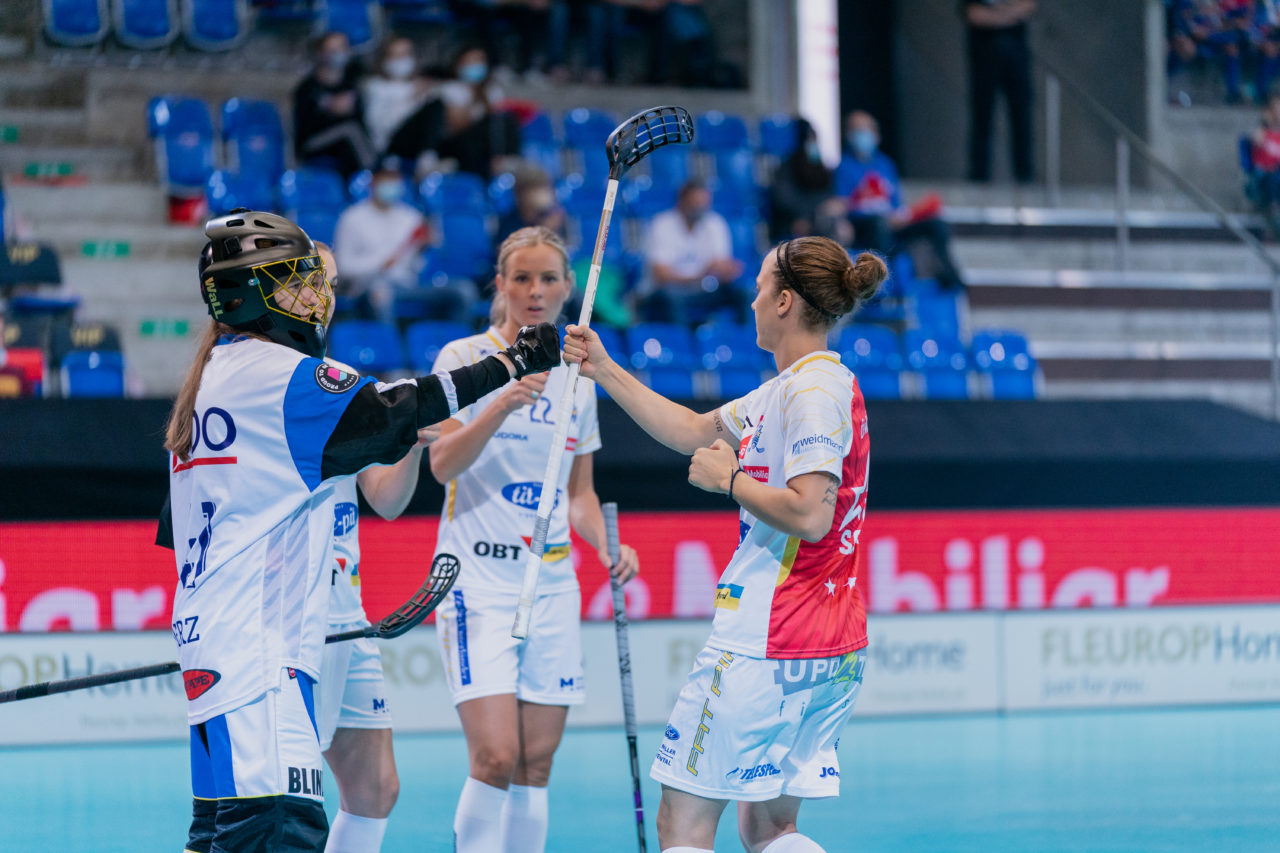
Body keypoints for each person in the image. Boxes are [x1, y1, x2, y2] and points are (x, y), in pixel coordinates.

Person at [165, 208, 559, 853]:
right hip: (262, 652)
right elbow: (397, 408)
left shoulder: (215, 380)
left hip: (227, 642)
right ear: (260, 294)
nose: (318, 297)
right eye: (299, 282)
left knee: (222, 833)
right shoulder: (277, 375)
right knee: (274, 834)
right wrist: (511, 363)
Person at [563, 236, 885, 853]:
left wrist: (729, 481)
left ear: (786, 301)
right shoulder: (788, 390)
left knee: (681, 827)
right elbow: (690, 429)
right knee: (769, 828)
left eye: (764, 287)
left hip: (772, 637)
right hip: (827, 640)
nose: (755, 299)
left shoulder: (812, 394)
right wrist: (603, 367)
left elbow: (812, 515)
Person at [428, 225, 640, 853]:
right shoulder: (462, 359)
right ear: (501, 284)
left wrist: (607, 544)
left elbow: (579, 496)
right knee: (496, 754)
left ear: (568, 287)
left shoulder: (580, 381)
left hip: (550, 584)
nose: (536, 291)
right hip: (476, 581)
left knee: (535, 765)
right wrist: (501, 404)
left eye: (549, 279)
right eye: (522, 278)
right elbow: (441, 466)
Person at [312, 243, 437, 853]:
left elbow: (385, 501)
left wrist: (409, 441)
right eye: (318, 281)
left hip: (349, 616)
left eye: (335, 284)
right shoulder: (284, 386)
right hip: (297, 617)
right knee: (289, 795)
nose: (327, 297)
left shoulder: (346, 387)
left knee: (375, 789)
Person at [838, 111, 965, 290]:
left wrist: (900, 216)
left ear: (876, 134)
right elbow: (843, 205)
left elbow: (896, 204)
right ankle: (884, 283)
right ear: (848, 134)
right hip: (866, 227)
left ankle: (948, 276)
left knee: (936, 224)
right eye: (856, 129)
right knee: (878, 224)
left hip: (892, 225)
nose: (862, 134)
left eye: (866, 129)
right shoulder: (843, 167)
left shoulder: (885, 164)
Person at [333, 157, 463, 325]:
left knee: (462, 291)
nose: (391, 183)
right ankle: (391, 349)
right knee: (381, 294)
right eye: (386, 178)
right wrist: (380, 263)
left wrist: (425, 249)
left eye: (395, 178)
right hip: (367, 287)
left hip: (408, 285)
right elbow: (344, 267)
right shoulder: (352, 217)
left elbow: (418, 267)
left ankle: (450, 348)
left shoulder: (412, 217)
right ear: (373, 181)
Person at [642, 178, 747, 325]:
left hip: (704, 290)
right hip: (670, 291)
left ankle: (743, 343)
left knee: (743, 294)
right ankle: (682, 345)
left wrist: (727, 270)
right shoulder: (661, 224)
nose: (700, 207)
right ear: (682, 201)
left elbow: (720, 264)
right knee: (672, 298)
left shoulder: (715, 223)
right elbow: (661, 274)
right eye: (695, 203)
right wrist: (700, 275)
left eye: (703, 203)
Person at [962, 0, 1035, 183]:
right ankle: (979, 176)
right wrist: (1009, 14)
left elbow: (1027, 7)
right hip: (984, 57)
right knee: (982, 118)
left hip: (1016, 56)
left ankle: (1024, 176)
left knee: (1021, 117)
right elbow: (974, 15)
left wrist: (993, 16)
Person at [293, 31, 377, 179]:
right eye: (332, 49)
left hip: (345, 143)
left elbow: (361, 121)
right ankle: (374, 177)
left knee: (354, 138)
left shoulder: (351, 85)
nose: (339, 53)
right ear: (320, 53)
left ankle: (354, 187)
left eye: (342, 48)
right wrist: (331, 109)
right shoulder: (308, 88)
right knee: (350, 130)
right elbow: (303, 127)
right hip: (313, 142)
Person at [437, 45, 522, 179]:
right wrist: (474, 99)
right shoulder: (450, 89)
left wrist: (484, 97)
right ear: (459, 65)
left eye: (479, 61)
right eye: (470, 62)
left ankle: (507, 160)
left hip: (485, 147)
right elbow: (456, 127)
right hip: (459, 144)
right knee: (486, 125)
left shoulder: (491, 90)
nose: (475, 66)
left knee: (506, 118)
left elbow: (497, 123)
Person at [767, 118, 853, 246]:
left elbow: (829, 196)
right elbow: (785, 201)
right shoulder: (786, 168)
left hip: (821, 219)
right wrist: (817, 210)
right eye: (810, 140)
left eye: (815, 140)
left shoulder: (821, 169)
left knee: (841, 225)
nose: (814, 144)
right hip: (795, 221)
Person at [361, 35, 443, 164]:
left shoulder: (418, 85)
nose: (402, 60)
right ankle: (425, 162)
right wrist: (412, 99)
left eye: (405, 54)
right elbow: (380, 127)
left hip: (414, 142)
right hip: (387, 145)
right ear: (384, 59)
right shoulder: (374, 86)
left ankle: (429, 158)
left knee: (437, 104)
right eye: (396, 55)